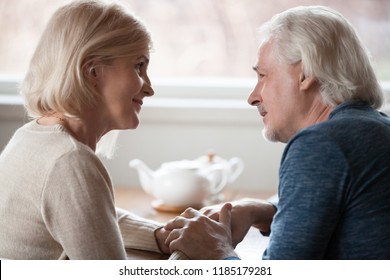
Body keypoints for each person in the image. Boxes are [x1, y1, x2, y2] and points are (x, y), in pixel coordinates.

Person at [164, 5, 390, 260]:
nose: (252, 97)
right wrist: (261, 210)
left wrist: (215, 251)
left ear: (305, 74)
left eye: (262, 76)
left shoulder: (321, 145)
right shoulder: (376, 128)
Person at [0, 0, 173, 259]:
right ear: (92, 71)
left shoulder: (28, 139)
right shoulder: (70, 163)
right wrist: (196, 254)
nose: (149, 88)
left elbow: (90, 216)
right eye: (139, 66)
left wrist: (164, 235)